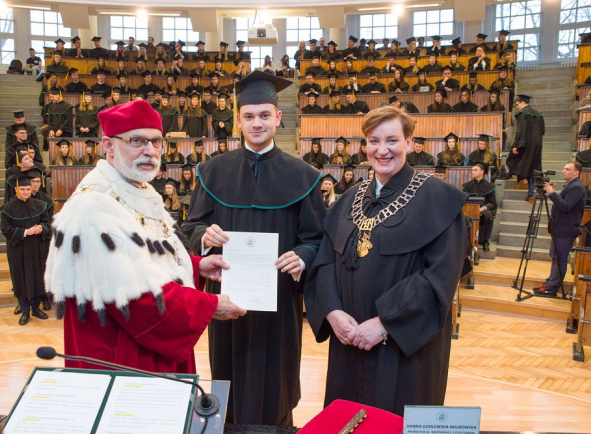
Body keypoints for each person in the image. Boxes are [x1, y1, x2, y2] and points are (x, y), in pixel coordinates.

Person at [45, 100, 246, 372]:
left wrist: (195, 266)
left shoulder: (139, 192)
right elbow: (136, 298)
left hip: (145, 347)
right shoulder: (93, 206)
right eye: (137, 141)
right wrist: (208, 305)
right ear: (108, 146)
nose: (149, 151)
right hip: (121, 357)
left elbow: (146, 260)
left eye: (156, 141)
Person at [304, 105, 468, 416]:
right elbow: (324, 263)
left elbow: (440, 278)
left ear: (409, 143)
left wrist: (385, 323)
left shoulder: (439, 199)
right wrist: (333, 312)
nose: (382, 150)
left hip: (403, 347)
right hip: (349, 342)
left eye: (392, 140)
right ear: (364, 146)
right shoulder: (348, 200)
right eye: (373, 141)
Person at [181, 71, 325, 425]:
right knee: (229, 373)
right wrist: (204, 236)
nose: (256, 123)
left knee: (277, 377)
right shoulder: (211, 172)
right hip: (227, 296)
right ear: (238, 120)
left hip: (280, 299)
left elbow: (317, 238)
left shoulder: (304, 176)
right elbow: (189, 228)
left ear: (278, 117)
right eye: (249, 116)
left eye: (264, 115)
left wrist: (303, 256)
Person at [1, 173, 51, 325]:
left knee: (37, 277)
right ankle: (24, 311)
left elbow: (47, 224)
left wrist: (41, 228)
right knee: (20, 278)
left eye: (28, 189)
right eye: (22, 189)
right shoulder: (7, 208)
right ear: (16, 189)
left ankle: (36, 308)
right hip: (18, 249)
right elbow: (5, 229)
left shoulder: (39, 205)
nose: (25, 192)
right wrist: (25, 232)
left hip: (36, 248)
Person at [534, 162, 586, 297]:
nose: (563, 171)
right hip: (559, 229)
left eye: (567, 169)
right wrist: (554, 193)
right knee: (556, 257)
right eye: (564, 168)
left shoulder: (577, 188)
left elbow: (566, 206)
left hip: (566, 230)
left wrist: (552, 193)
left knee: (560, 258)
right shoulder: (571, 185)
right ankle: (550, 283)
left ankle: (552, 288)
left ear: (576, 173)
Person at [506, 95, 545, 202]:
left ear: (522, 102)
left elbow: (521, 131)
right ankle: (531, 195)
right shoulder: (539, 114)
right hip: (537, 144)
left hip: (525, 144)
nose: (517, 107)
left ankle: (522, 179)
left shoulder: (522, 114)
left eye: (517, 104)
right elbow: (543, 131)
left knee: (512, 160)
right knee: (533, 168)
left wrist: (517, 145)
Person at [462, 163, 497, 251]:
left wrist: (482, 208)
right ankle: (466, 241)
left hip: (483, 209)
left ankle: (485, 241)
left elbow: (492, 203)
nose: (473, 172)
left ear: (482, 172)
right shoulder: (467, 186)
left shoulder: (489, 186)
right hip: (470, 209)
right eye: (472, 170)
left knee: (488, 216)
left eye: (475, 170)